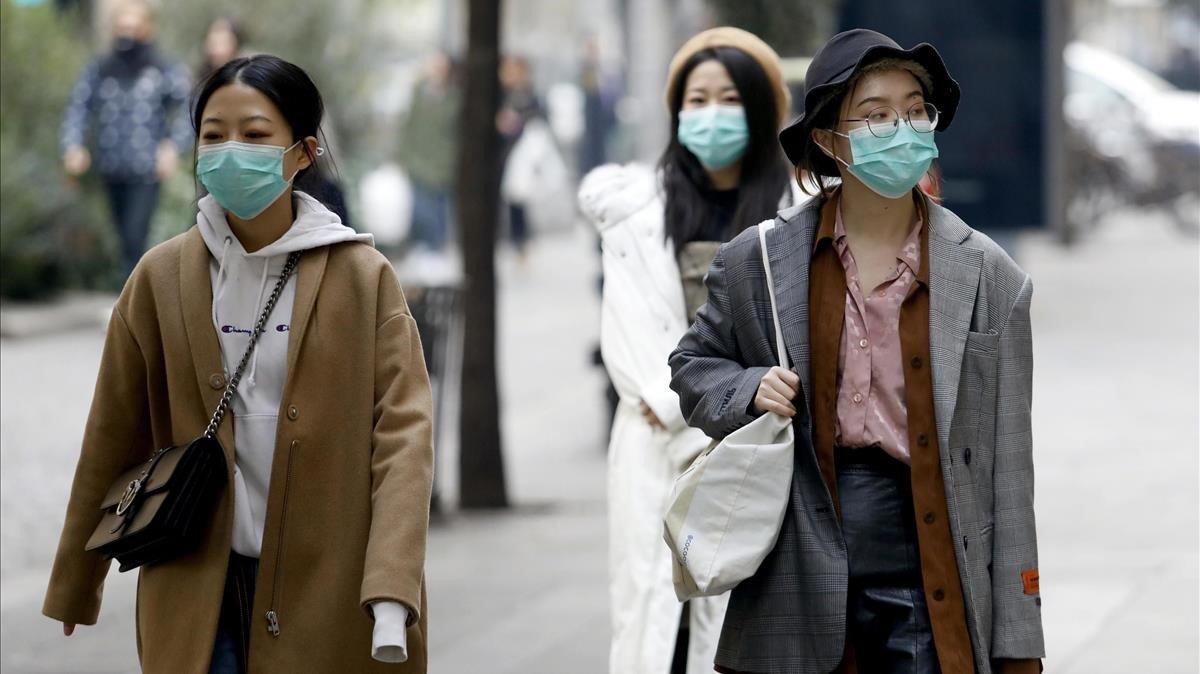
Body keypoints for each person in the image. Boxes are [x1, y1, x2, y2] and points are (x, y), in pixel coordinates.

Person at [42, 54, 434, 674]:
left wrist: (390, 587)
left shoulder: (363, 279)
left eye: (254, 135)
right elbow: (112, 433)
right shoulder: (160, 278)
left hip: (327, 584)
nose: (230, 151)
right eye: (213, 135)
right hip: (195, 579)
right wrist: (75, 581)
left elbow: (404, 440)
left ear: (303, 153)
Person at [669, 29, 1045, 674]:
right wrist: (748, 389)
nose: (900, 128)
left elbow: (1008, 477)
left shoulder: (989, 276)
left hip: (931, 563)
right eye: (875, 115)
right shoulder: (760, 260)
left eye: (914, 110)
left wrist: (1019, 642)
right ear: (827, 139)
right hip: (796, 556)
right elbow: (693, 366)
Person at [579, 27, 803, 674]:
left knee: (740, 631)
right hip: (656, 447)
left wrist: (740, 408)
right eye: (695, 100)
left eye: (728, 99)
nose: (710, 116)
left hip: (761, 449)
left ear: (762, 107)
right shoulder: (634, 214)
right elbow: (631, 348)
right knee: (657, 624)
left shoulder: (799, 211)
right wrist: (702, 406)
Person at [60, 0, 192, 278]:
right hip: (111, 168)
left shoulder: (161, 69)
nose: (126, 34)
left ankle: (132, 309)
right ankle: (134, 303)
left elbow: (188, 108)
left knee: (135, 238)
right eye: (122, 28)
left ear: (147, 30)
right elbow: (78, 107)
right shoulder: (100, 69)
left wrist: (171, 147)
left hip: (146, 171)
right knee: (123, 240)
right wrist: (73, 146)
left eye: (133, 28)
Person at [398, 51, 460, 251]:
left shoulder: (454, 97)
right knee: (421, 211)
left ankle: (437, 252)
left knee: (439, 213)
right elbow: (408, 126)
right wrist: (403, 156)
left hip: (444, 164)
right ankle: (427, 249)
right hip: (418, 162)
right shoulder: (419, 93)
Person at [497, 55, 543, 257]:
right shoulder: (499, 94)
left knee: (517, 201)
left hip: (519, 157)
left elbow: (537, 120)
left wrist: (517, 122)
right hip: (501, 155)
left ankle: (520, 242)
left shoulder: (527, 94)